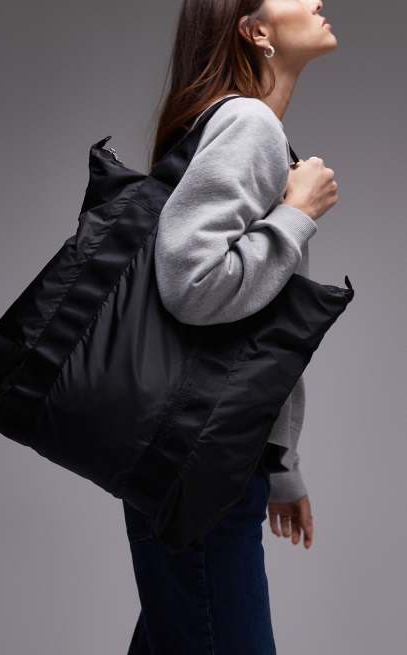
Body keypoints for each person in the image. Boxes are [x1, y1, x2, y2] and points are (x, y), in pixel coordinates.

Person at [123, 0, 339, 653]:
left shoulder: (239, 125)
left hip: (197, 459)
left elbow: (257, 330)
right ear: (255, 31)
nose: (315, 0)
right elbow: (191, 285)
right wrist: (297, 215)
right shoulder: (248, 123)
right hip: (200, 466)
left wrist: (277, 466)